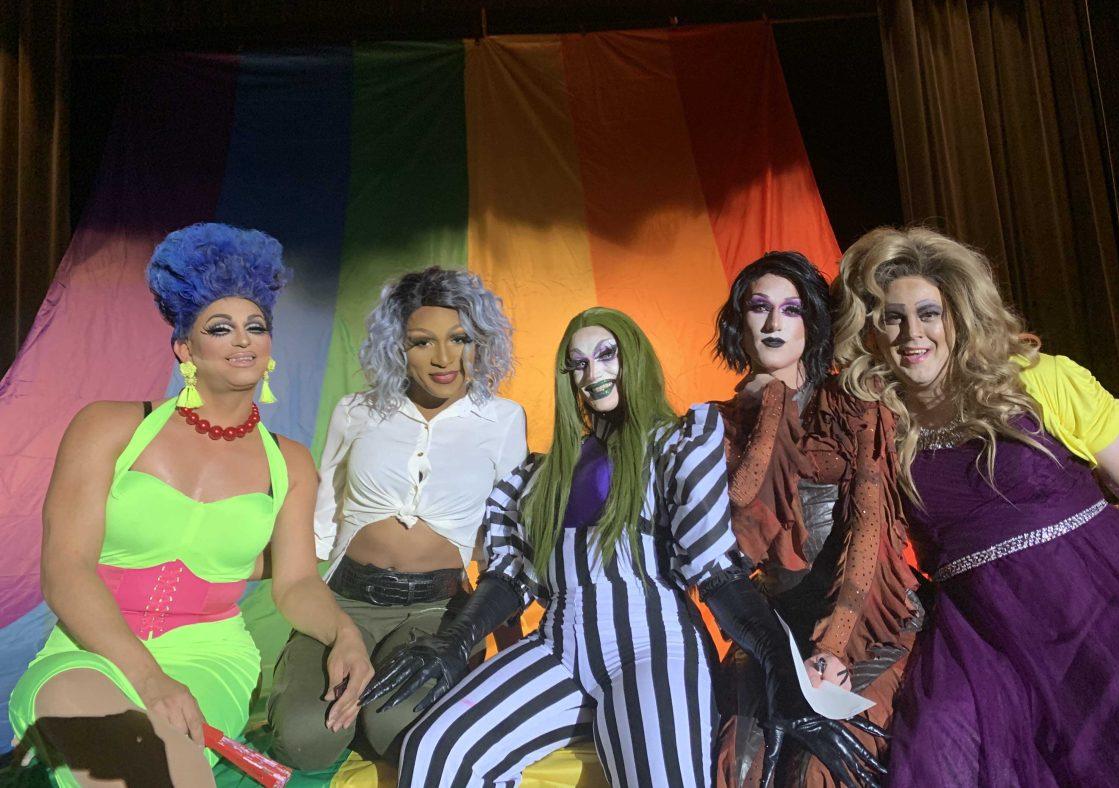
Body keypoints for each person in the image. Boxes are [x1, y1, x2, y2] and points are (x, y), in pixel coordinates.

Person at [361, 307, 885, 788]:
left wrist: (781, 671)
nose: (594, 374)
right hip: (560, 643)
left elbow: (720, 577)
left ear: (633, 357)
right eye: (578, 364)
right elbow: (511, 577)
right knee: (437, 750)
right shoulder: (542, 475)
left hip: (652, 645)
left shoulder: (676, 444)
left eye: (606, 355)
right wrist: (456, 641)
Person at [7, 222, 373, 788]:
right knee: (113, 751)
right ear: (185, 348)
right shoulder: (107, 426)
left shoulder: (291, 463)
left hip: (209, 659)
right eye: (221, 328)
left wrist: (344, 633)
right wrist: (149, 678)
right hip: (89, 647)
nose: (245, 340)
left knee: (167, 770)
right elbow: (65, 569)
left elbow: (296, 583)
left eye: (257, 327)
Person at [834, 225, 1119, 786]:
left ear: (959, 312)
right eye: (892, 316)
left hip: (1102, 615)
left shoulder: (1042, 380)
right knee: (935, 755)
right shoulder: (879, 428)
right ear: (870, 331)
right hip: (983, 641)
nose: (913, 333)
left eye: (929, 313)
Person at [267, 267, 527, 768]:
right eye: (422, 342)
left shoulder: (503, 419)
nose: (444, 358)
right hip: (344, 600)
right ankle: (333, 688)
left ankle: (374, 709)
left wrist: (501, 644)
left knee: (398, 733)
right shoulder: (357, 411)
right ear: (397, 347)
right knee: (305, 742)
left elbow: (506, 541)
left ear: (482, 343)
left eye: (460, 339)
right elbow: (323, 521)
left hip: (436, 612)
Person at [711, 252, 921, 788]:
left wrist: (834, 647)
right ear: (740, 320)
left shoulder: (853, 406)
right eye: (759, 308)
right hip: (771, 630)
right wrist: (771, 404)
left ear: (814, 322)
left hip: (866, 621)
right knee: (737, 767)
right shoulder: (715, 423)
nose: (775, 323)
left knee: (821, 768)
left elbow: (868, 535)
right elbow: (741, 518)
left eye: (791, 309)